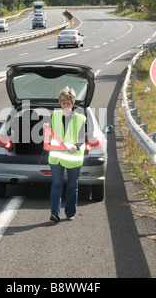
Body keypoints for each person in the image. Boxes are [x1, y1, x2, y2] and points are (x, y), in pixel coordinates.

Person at [47, 87, 86, 224]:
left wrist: (76, 146)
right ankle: (55, 214)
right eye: (63, 103)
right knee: (56, 185)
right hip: (56, 157)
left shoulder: (80, 118)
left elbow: (82, 138)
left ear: (73, 103)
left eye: (68, 103)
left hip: (73, 157)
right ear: (60, 103)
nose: (65, 106)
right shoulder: (55, 116)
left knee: (72, 186)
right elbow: (51, 135)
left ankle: (70, 213)